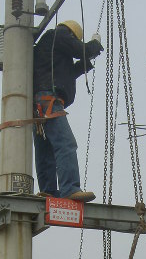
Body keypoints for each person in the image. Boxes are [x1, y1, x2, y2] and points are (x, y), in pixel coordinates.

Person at [33, 20, 103, 202]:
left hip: (39, 103)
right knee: (66, 143)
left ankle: (48, 191)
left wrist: (88, 60)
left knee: (46, 149)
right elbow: (81, 50)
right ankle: (70, 188)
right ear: (72, 34)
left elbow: (68, 72)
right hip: (49, 100)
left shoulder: (51, 49)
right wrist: (94, 45)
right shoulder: (59, 35)